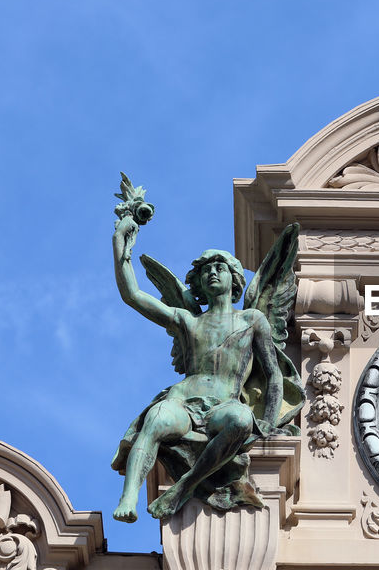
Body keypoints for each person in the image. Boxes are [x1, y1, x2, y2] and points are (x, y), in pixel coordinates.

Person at [110, 215, 284, 522]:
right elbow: (133, 296)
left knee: (242, 419)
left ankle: (184, 487)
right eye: (206, 270)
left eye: (220, 268)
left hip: (223, 405)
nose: (212, 273)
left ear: (235, 280)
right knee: (156, 419)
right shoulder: (187, 320)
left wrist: (269, 421)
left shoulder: (252, 320)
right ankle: (128, 496)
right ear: (199, 283)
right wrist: (120, 244)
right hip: (184, 401)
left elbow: (272, 373)